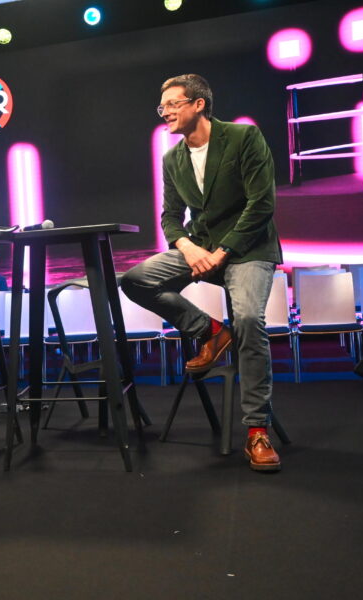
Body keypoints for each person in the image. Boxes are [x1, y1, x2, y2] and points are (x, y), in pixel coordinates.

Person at [120, 74, 283, 472]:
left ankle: (257, 432)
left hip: (248, 249)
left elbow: (262, 204)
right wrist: (189, 247)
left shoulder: (243, 137)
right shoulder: (171, 159)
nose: (165, 112)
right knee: (136, 280)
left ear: (199, 104)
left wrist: (224, 251)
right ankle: (211, 332)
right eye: (162, 107)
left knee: (248, 318)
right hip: (201, 248)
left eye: (173, 104)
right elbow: (170, 216)